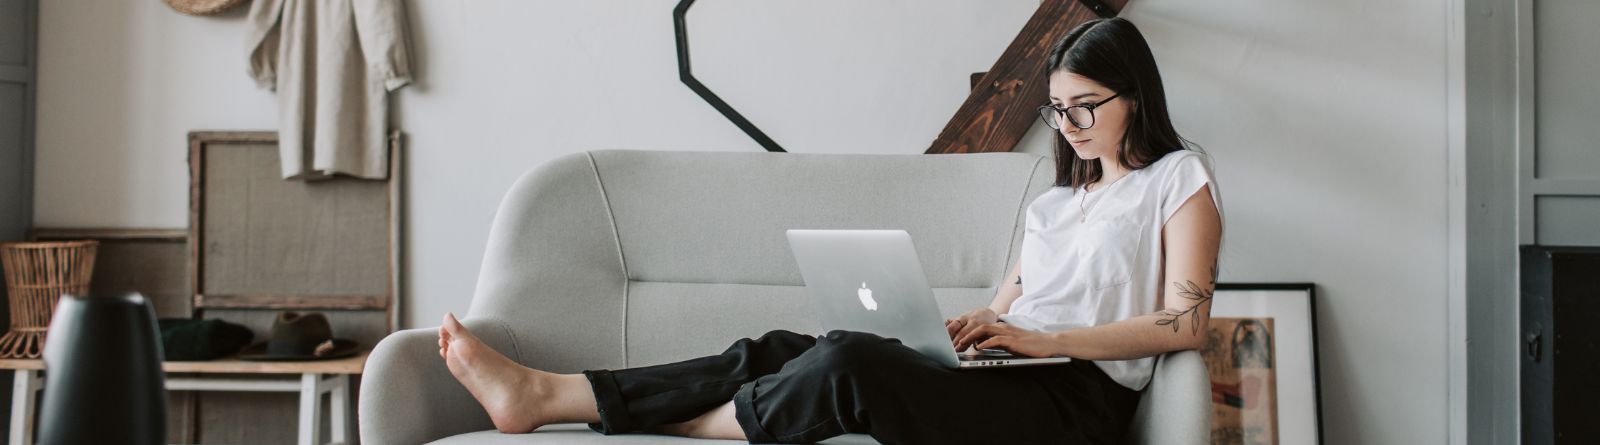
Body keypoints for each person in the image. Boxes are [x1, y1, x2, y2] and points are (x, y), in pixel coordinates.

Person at [436, 17, 1222, 444]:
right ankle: (549, 393)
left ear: (1134, 95)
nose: (1070, 124)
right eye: (1058, 108)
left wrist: (1045, 342)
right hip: (1011, 373)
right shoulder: (1055, 201)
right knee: (792, 346)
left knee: (844, 361)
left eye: (1086, 105)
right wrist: (976, 329)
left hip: (1071, 404)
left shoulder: (1178, 179)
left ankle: (689, 420)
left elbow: (1186, 323)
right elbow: (1011, 300)